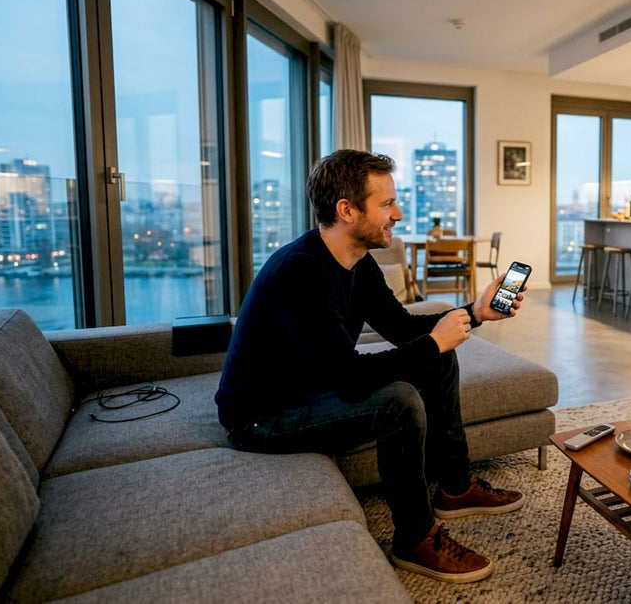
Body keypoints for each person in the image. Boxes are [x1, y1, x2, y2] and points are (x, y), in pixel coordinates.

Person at [214, 149, 526, 584]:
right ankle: (414, 538)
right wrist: (431, 343)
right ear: (347, 210)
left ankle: (455, 488)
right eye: (386, 204)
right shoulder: (300, 273)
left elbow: (402, 327)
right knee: (397, 401)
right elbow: (349, 377)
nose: (397, 214)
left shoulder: (357, 261)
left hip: (308, 386)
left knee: (438, 358)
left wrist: (475, 311)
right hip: (262, 418)